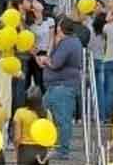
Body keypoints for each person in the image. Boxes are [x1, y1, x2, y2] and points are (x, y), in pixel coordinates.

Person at [38, 17, 82, 160]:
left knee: (62, 119)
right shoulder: (71, 41)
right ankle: (50, 145)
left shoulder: (67, 43)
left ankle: (63, 150)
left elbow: (56, 63)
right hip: (56, 87)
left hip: (62, 87)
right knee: (43, 114)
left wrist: (45, 60)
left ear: (60, 28)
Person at [13, 86, 51, 165]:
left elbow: (17, 138)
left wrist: (16, 152)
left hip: (26, 152)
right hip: (42, 151)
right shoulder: (47, 113)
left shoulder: (20, 113)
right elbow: (49, 136)